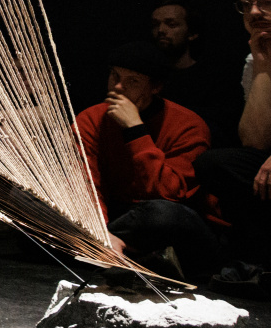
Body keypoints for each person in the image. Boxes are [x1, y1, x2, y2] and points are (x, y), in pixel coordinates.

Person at [75, 41, 223, 282]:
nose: (118, 87)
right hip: (119, 219)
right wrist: (100, 231)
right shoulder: (91, 119)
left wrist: (136, 130)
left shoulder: (188, 125)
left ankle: (103, 252)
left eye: (133, 81)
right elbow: (86, 183)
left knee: (162, 215)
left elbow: (166, 193)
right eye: (115, 76)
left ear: (155, 87)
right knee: (30, 205)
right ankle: (132, 256)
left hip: (169, 221)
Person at [197, 0, 271, 291]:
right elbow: (254, 140)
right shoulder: (253, 61)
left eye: (266, 1)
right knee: (217, 164)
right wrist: (262, 64)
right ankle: (256, 264)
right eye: (246, 4)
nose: (254, 12)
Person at [150, 0, 241, 148]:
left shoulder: (214, 78)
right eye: (155, 25)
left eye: (171, 24)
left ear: (192, 33)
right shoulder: (150, 79)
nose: (161, 30)